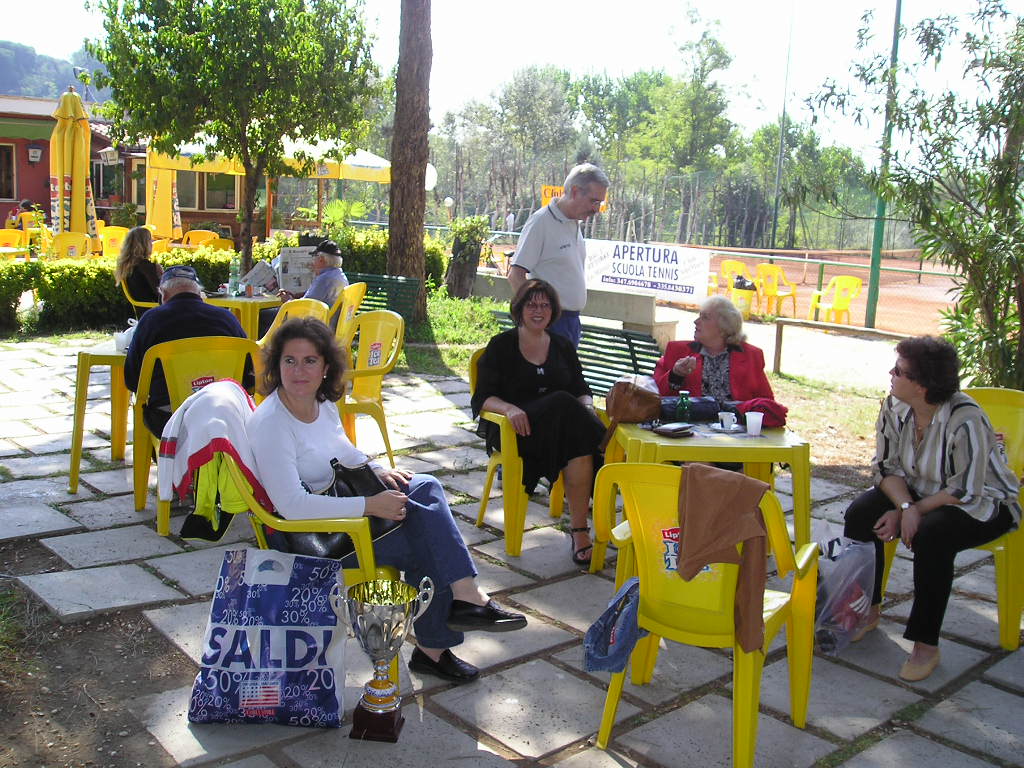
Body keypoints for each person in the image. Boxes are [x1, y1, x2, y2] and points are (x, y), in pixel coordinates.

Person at [247, 317, 527, 684]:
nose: (299, 370)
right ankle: (448, 627)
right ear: (276, 366)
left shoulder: (321, 404)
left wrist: (376, 470)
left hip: (336, 515)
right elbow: (291, 506)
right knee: (424, 537)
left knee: (424, 488)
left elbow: (342, 450)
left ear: (326, 366)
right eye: (290, 361)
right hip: (313, 538)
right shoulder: (273, 422)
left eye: (310, 360)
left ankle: (455, 614)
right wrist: (370, 506)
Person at [843, 336, 1019, 681]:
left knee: (932, 535)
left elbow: (964, 489)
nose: (891, 374)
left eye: (899, 371)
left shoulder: (965, 418)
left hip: (983, 501)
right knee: (859, 514)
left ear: (922, 385)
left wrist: (913, 512)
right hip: (919, 489)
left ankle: (926, 644)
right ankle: (869, 608)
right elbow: (885, 468)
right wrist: (905, 505)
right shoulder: (894, 406)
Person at [472, 279, 606, 566]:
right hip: (518, 431)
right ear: (519, 308)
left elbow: (581, 390)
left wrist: (587, 408)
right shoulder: (502, 346)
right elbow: (482, 398)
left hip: (561, 433)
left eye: (545, 305)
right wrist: (508, 409)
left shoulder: (562, 345)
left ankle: (580, 532)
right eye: (531, 304)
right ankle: (608, 447)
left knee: (580, 447)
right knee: (561, 401)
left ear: (553, 310)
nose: (538, 310)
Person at [124, 265, 248, 436]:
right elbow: (249, 373)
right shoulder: (227, 318)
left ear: (164, 295)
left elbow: (132, 380)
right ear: (199, 293)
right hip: (223, 413)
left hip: (169, 418)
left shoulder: (150, 321)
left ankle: (167, 458)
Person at [508, 164, 609, 347]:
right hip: (551, 324)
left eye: (599, 203)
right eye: (594, 201)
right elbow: (516, 276)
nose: (596, 209)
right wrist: (537, 319)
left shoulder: (574, 223)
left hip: (571, 323)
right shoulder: (541, 222)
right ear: (576, 192)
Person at [652, 294, 774, 400]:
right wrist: (675, 375)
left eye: (705, 317)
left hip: (735, 425)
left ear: (724, 327)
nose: (696, 321)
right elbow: (653, 394)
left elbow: (766, 403)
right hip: (689, 424)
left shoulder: (750, 355)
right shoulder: (678, 351)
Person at [277, 239, 349, 307]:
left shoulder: (324, 279)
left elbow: (303, 308)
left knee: (268, 314)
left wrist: (287, 300)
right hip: (331, 318)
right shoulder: (339, 275)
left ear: (321, 259)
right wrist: (296, 296)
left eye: (314, 256)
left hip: (316, 319)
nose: (312, 260)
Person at [114, 226, 163, 304]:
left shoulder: (126, 265)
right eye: (150, 240)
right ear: (145, 244)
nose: (152, 243)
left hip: (139, 309)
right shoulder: (145, 266)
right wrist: (161, 275)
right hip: (153, 310)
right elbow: (161, 293)